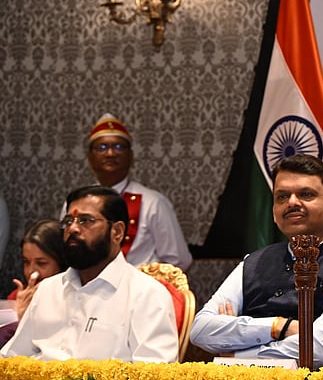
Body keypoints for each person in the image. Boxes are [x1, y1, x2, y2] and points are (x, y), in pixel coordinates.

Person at [190, 154, 323, 368]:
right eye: (282, 196)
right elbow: (200, 330)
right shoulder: (253, 262)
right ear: (273, 211)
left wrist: (236, 357)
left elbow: (320, 350)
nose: (292, 202)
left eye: (306, 194)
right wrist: (279, 327)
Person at [2, 186, 179, 362]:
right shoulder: (48, 289)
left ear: (116, 232)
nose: (73, 229)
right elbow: (13, 358)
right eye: (68, 221)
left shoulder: (146, 295)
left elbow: (155, 376)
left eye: (85, 221)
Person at [69, 113, 191, 270]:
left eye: (119, 147)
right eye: (102, 147)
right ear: (90, 157)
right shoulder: (76, 202)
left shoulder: (152, 202)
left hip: (140, 291)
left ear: (131, 156)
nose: (110, 153)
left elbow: (178, 261)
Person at [9, 220, 67, 320]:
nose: (31, 272)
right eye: (26, 262)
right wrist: (16, 316)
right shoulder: (17, 297)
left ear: (62, 263)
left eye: (41, 263)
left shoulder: (74, 301)